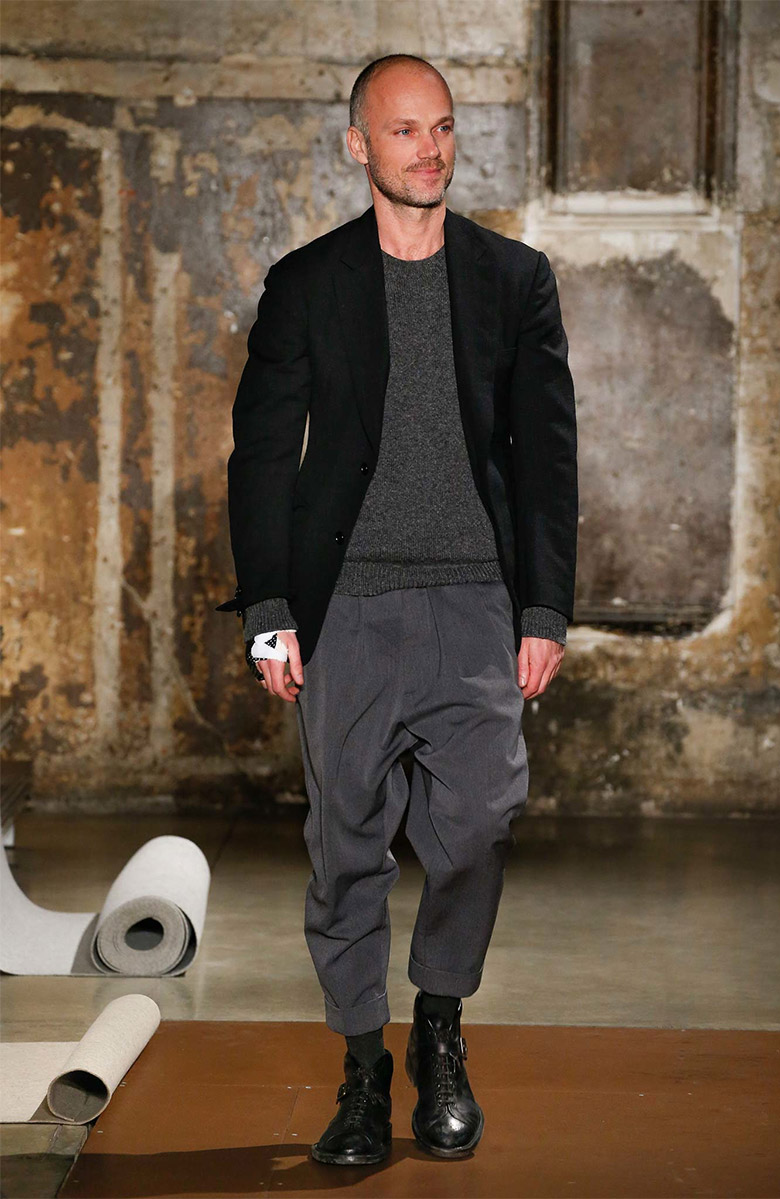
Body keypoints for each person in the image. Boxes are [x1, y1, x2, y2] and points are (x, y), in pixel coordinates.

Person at [217, 52, 578, 1166]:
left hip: (475, 601)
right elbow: (262, 455)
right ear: (358, 147)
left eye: (443, 127)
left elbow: (545, 452)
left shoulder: (511, 278)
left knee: (478, 823)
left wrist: (544, 607)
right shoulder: (307, 283)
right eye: (405, 130)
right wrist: (269, 607)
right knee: (346, 846)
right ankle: (362, 1067)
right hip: (350, 606)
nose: (430, 149)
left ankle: (439, 1024)